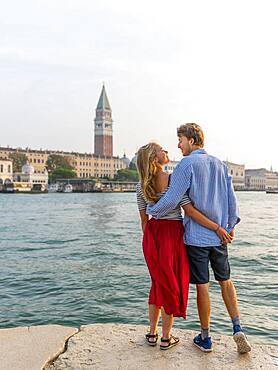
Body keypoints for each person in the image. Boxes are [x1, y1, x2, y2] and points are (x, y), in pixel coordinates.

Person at [146, 123, 251, 354]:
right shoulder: (220, 165)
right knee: (226, 281)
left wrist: (152, 211)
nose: (178, 145)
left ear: (191, 141)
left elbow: (173, 198)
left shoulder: (187, 164)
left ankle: (205, 337)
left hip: (196, 238)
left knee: (202, 287)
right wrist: (230, 225)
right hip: (220, 236)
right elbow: (231, 200)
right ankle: (237, 327)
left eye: (181, 140)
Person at [136, 142, 232, 350]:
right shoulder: (173, 180)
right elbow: (189, 210)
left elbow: (144, 220)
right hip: (173, 234)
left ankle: (152, 334)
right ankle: (165, 337)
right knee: (171, 283)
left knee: (158, 283)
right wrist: (216, 227)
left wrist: (151, 243)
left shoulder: (140, 185)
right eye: (162, 150)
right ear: (155, 159)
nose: (167, 151)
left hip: (152, 236)